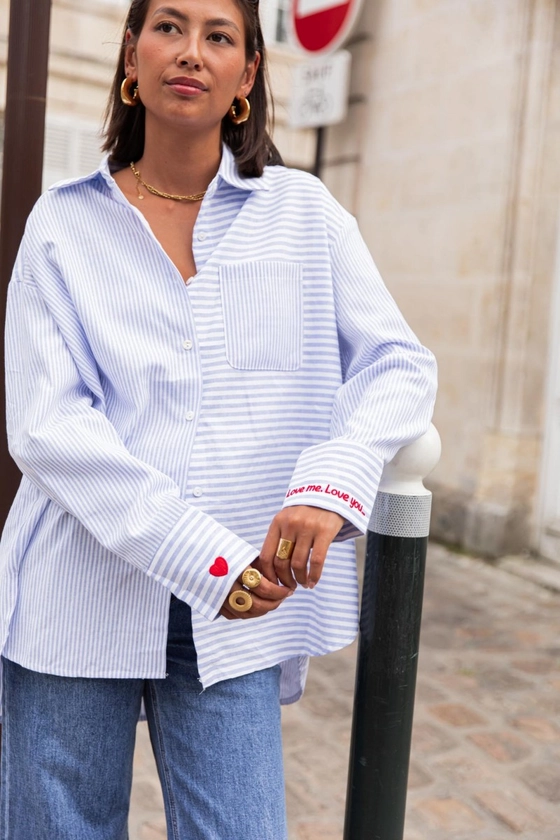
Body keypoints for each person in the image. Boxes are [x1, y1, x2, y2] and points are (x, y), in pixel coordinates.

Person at [0, 0, 437, 837]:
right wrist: (203, 557)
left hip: (240, 606)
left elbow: (398, 364)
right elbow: (49, 424)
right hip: (76, 590)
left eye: (219, 36)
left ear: (247, 75)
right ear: (132, 56)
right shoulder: (62, 224)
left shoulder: (303, 216)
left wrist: (328, 483)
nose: (190, 53)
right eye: (168, 27)